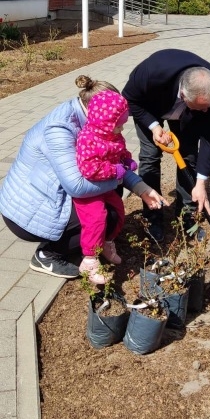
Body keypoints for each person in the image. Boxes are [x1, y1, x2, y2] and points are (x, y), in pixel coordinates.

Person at [0, 75, 167, 279]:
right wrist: (120, 175)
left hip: (53, 192)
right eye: (116, 121)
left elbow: (115, 164)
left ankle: (96, 243)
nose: (120, 127)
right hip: (27, 210)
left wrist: (142, 189)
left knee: (110, 203)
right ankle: (48, 254)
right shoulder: (59, 130)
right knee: (102, 215)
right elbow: (77, 186)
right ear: (99, 112)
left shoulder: (95, 125)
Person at [122, 49, 210, 242]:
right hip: (149, 107)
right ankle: (153, 216)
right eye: (201, 106)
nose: (206, 111)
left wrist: (201, 182)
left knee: (188, 156)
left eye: (208, 106)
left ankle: (185, 216)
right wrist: (154, 126)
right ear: (183, 94)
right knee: (150, 156)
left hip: (185, 115)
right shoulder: (152, 73)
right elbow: (131, 100)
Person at [74, 90, 138, 285]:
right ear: (105, 123)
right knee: (96, 218)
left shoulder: (113, 136)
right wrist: (114, 170)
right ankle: (89, 260)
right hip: (89, 189)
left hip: (106, 187)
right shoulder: (88, 139)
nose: (121, 130)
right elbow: (88, 169)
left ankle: (108, 242)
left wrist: (126, 159)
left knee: (118, 210)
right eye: (118, 126)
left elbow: (120, 150)